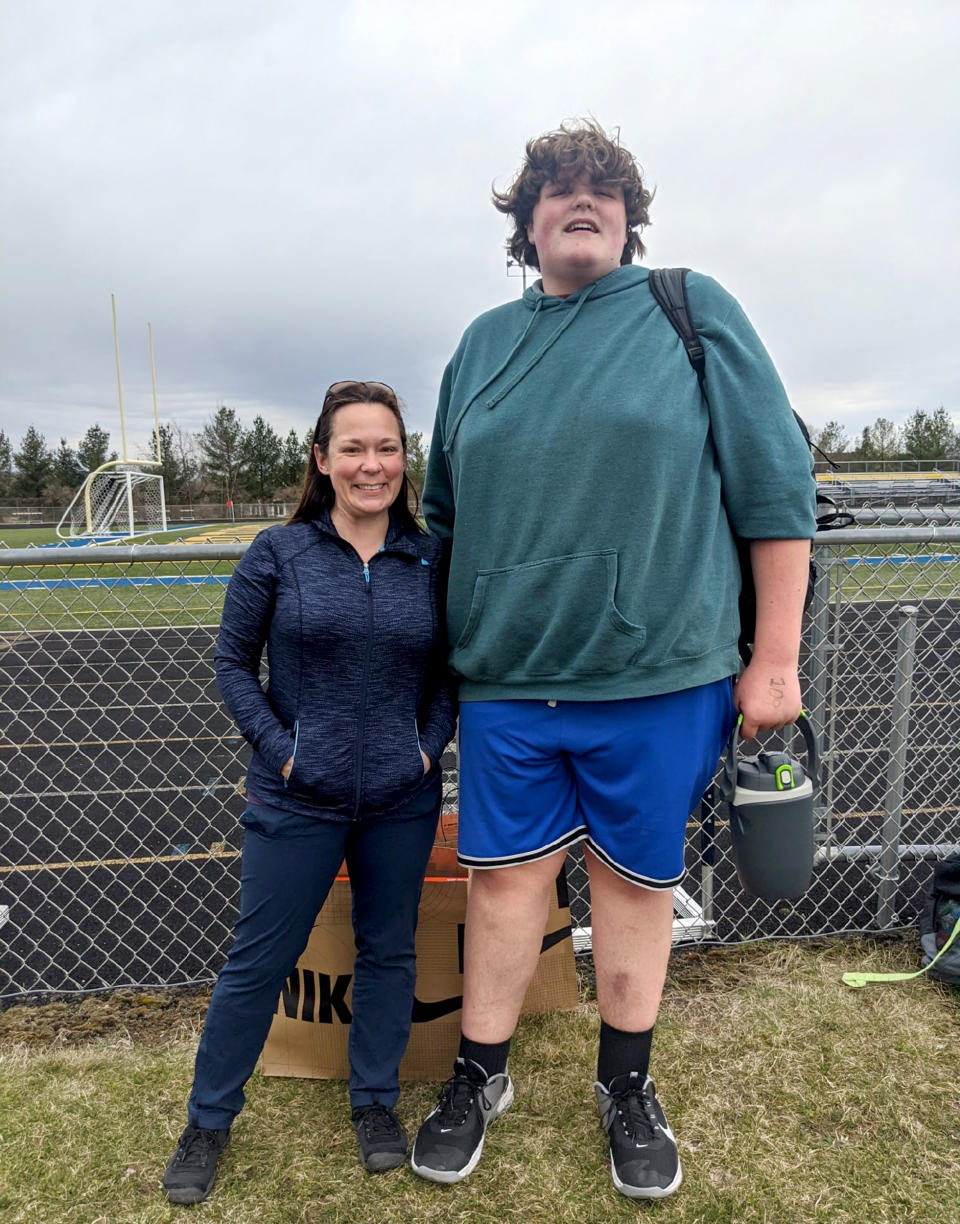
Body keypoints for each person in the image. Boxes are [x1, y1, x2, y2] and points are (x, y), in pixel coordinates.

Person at [410, 120, 817, 1199]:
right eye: (556, 189)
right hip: (508, 681)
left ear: (631, 218)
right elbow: (443, 518)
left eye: (603, 189)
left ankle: (624, 1084)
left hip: (660, 680)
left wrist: (773, 660)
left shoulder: (688, 311)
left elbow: (777, 495)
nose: (580, 202)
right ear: (526, 222)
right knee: (502, 889)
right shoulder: (481, 346)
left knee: (635, 888)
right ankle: (479, 1075)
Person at [162, 380, 456, 1205]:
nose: (373, 464)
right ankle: (208, 1122)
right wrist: (285, 752)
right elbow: (231, 664)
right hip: (296, 801)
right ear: (323, 461)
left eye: (388, 447)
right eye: (354, 448)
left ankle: (374, 1103)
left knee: (390, 951)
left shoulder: (431, 560)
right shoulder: (277, 553)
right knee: (257, 962)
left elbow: (447, 677)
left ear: (406, 459)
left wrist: (427, 751)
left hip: (401, 798)